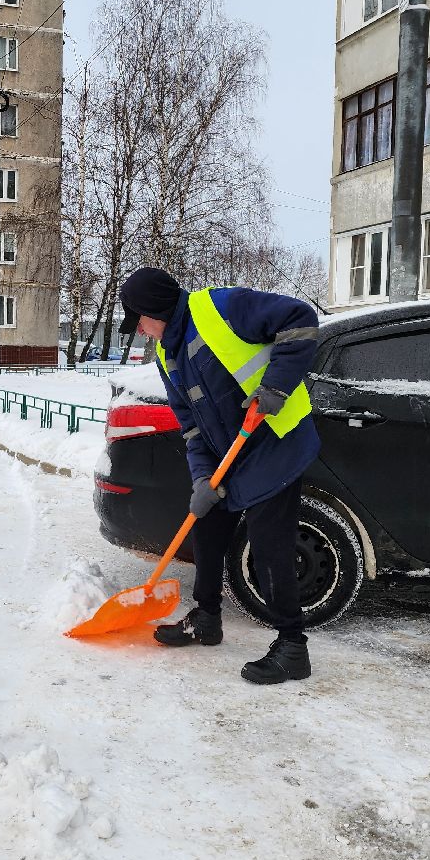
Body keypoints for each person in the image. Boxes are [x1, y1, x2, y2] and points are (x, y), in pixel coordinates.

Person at [118, 266, 321, 684]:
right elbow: (190, 424)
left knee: (268, 547)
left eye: (139, 318)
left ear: (156, 309)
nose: (140, 329)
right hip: (229, 452)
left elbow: (299, 318)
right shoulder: (165, 354)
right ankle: (207, 618)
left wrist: (276, 387)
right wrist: (201, 478)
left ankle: (292, 645)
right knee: (206, 527)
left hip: (273, 443)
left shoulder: (219, 307)